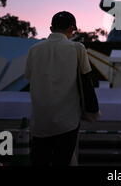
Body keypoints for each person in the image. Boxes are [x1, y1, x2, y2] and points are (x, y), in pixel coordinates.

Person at [24, 11, 100, 166]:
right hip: (67, 120)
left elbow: (29, 77)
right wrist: (93, 109)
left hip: (40, 121)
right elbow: (86, 81)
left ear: (51, 27)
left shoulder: (34, 49)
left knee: (39, 162)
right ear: (72, 28)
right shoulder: (77, 48)